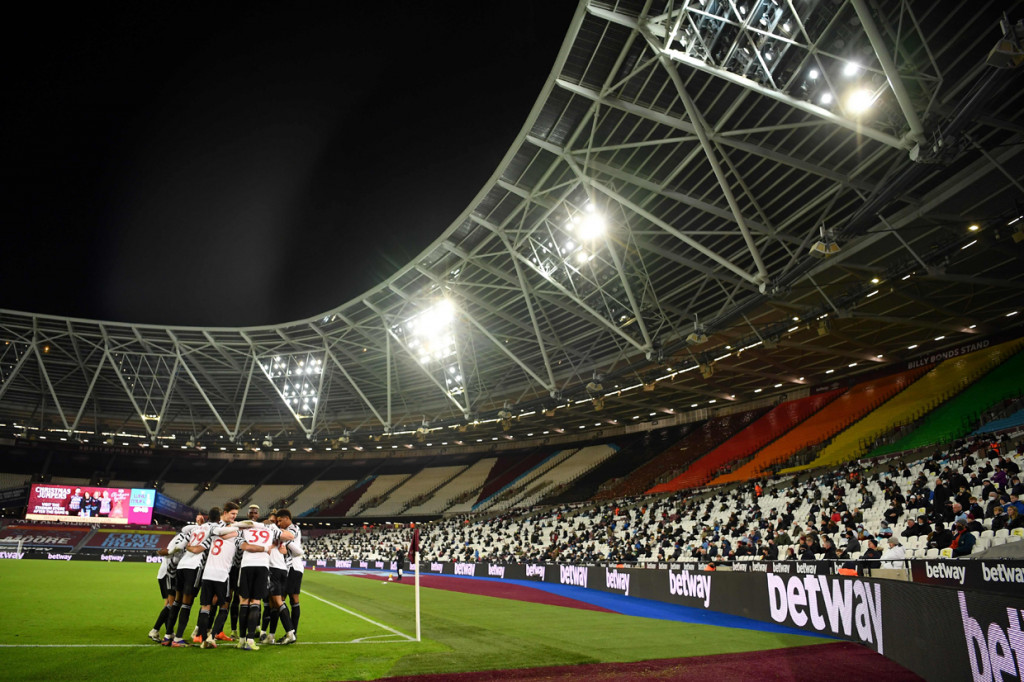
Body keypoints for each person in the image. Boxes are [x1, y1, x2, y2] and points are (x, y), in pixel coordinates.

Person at [235, 510, 295, 650]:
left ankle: (242, 640)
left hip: (247, 565)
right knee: (257, 602)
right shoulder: (270, 530)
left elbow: (244, 545)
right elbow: (289, 535)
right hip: (263, 566)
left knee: (244, 602)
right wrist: (269, 543)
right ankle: (252, 639)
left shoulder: (246, 530)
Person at [195, 502, 240, 648]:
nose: (234, 517)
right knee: (224, 606)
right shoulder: (234, 530)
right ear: (225, 513)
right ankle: (211, 637)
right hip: (221, 574)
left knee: (205, 607)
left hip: (208, 573)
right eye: (232, 514)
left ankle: (202, 639)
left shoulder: (213, 529)